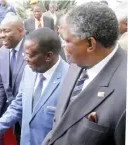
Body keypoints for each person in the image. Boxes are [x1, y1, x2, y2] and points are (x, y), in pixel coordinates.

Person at [41, 2, 126, 145]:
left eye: (67, 41)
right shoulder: (77, 62)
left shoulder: (124, 91)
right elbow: (61, 125)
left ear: (90, 44)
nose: (63, 46)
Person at [0, 27, 69, 145]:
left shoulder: (71, 79)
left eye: (29, 55)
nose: (25, 59)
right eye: (24, 54)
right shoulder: (29, 71)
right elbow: (18, 105)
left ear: (48, 56)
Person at [0, 16, 26, 145]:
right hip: (10, 114)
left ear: (20, 31)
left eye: (6, 31)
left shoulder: (31, 49)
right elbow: (0, 84)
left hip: (29, 115)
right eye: (0, 31)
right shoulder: (2, 52)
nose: (2, 35)